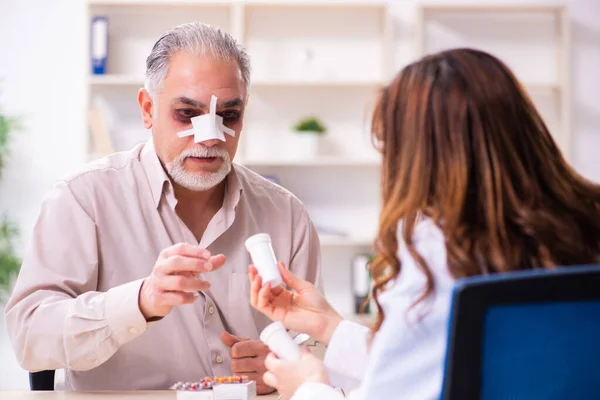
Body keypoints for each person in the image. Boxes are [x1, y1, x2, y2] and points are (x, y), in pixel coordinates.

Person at [248, 48, 600, 400]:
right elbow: (441, 367)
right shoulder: (581, 225)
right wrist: (327, 326)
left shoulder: (436, 254)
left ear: (415, 159)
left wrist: (308, 387)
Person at [4, 22, 322, 393]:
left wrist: (283, 368)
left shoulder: (288, 217)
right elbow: (29, 338)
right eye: (188, 114)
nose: (210, 137)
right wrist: (137, 302)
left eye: (229, 116)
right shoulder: (82, 200)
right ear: (147, 109)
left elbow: (314, 345)